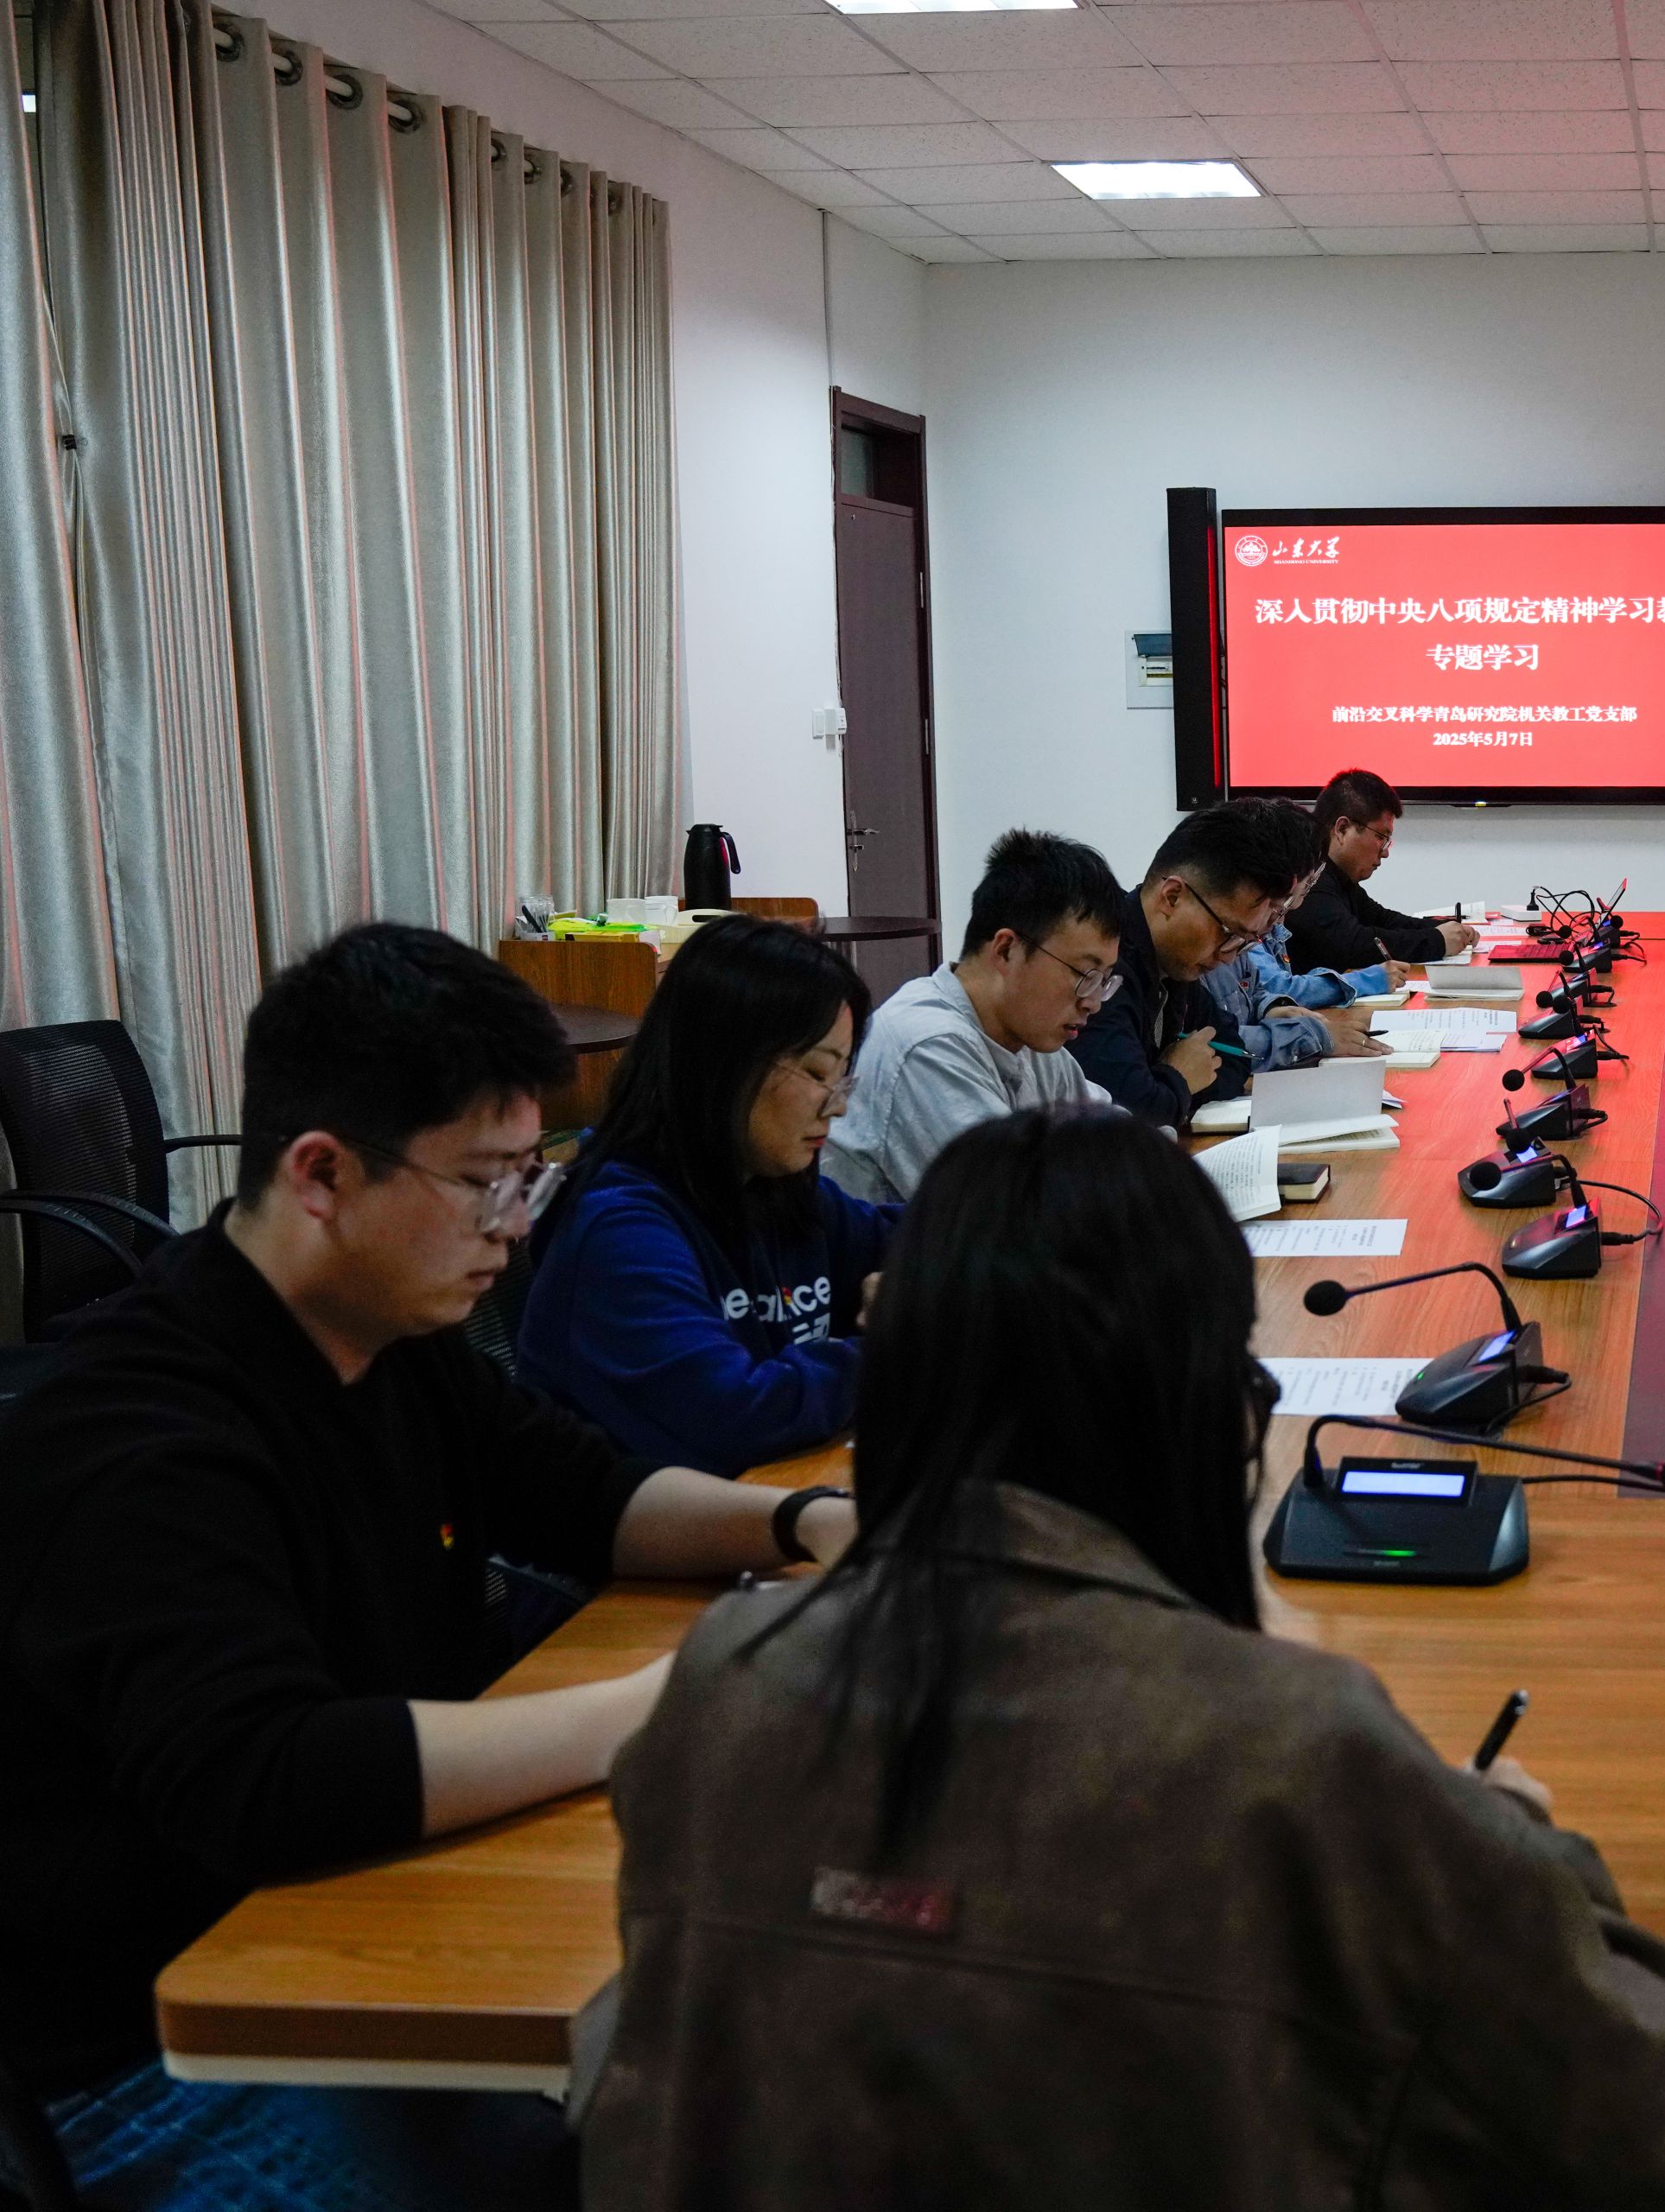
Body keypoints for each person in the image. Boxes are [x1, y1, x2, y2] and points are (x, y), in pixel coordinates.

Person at [579, 1108, 1665, 2208]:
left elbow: (644, 2066)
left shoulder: (729, 1675)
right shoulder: (1293, 1747)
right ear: (1212, 1403)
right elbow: (1640, 2125)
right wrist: (1520, 1848)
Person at [0, 925, 855, 2212]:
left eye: (528, 1181)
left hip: (358, 1914)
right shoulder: (137, 1433)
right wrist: (662, 1704)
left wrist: (802, 1525)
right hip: (158, 2039)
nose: (513, 1230)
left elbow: (590, 1495)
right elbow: (273, 1776)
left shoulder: (390, 1336)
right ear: (322, 1173)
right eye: (486, 1185)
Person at [518, 915, 897, 1475]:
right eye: (819, 1074)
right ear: (725, 1063)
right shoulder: (619, 1229)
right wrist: (898, 1347)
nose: (837, 1106)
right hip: (644, 1528)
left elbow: (935, 1238)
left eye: (843, 1078)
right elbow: (735, 1420)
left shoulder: (773, 1188)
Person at [823, 829, 1122, 1205]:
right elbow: (1017, 1213)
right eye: (1084, 975)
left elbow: (1116, 1139)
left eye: (1104, 981)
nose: (1093, 1003)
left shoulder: (1031, 1042)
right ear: (1007, 950)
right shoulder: (927, 1046)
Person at [1071, 802, 1309, 1127]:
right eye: (1228, 933)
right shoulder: (1104, 965)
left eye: (1244, 941)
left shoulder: (1176, 967)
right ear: (1172, 897)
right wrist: (1177, 1077)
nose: (1229, 955)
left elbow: (1234, 1057)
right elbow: (1131, 1114)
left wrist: (1166, 1085)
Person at [1199, 798, 1397, 1071]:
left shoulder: (1244, 928)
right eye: (1279, 906)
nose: (1275, 920)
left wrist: (1273, 1008)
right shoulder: (1223, 933)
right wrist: (1313, 1038)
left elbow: (1255, 991)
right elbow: (1210, 1043)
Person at [1282, 767, 1480, 975]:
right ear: (1342, 829)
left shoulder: (1339, 876)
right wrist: (1437, 940)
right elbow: (1353, 946)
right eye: (1381, 837)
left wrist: (1449, 928)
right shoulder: (1309, 877)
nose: (1385, 853)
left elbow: (1384, 920)